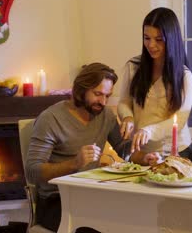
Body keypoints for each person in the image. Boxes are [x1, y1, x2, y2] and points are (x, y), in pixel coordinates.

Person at [25, 63, 130, 232]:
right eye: (98, 94)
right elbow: (32, 171)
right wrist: (74, 163)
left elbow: (125, 150)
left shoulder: (106, 115)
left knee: (132, 218)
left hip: (92, 195)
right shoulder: (50, 119)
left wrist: (144, 155)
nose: (103, 102)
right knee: (95, 228)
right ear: (81, 90)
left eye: (107, 96)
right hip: (56, 201)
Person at [117, 7, 192, 163]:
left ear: (171, 39)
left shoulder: (184, 76)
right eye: (146, 38)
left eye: (159, 39)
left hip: (176, 151)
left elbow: (180, 120)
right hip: (142, 152)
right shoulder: (133, 67)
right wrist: (128, 117)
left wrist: (148, 130)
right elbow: (124, 101)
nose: (151, 45)